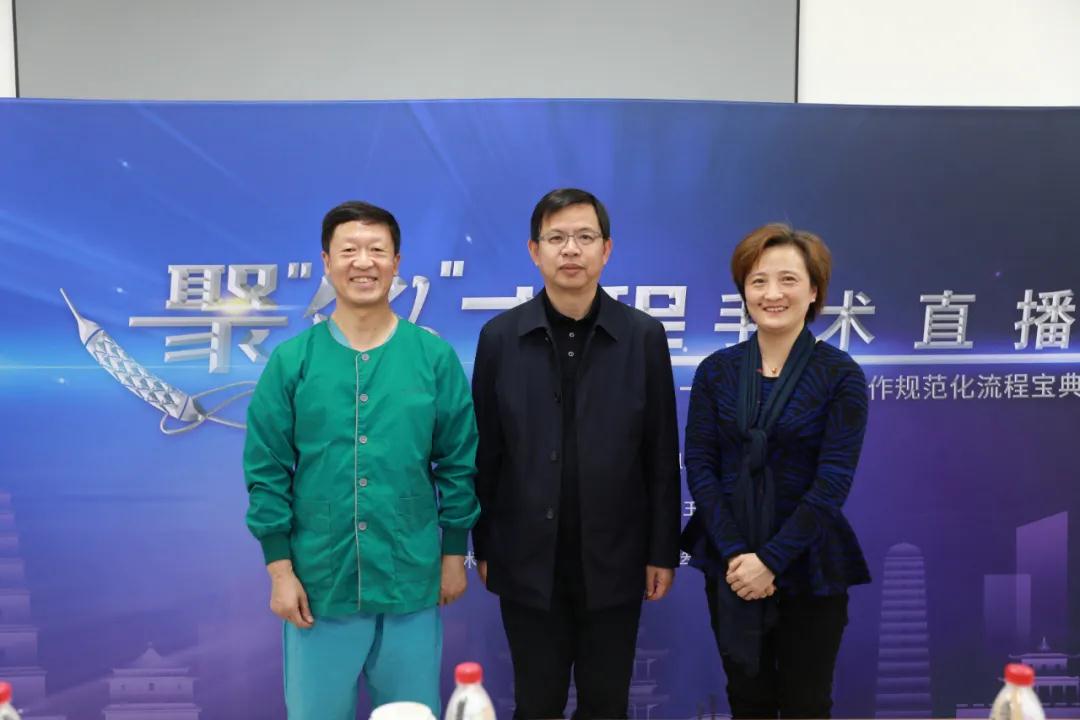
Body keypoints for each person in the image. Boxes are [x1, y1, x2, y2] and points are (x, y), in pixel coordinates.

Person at [243, 200, 480, 719]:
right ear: (327, 262)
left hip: (411, 579)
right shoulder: (293, 361)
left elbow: (459, 464)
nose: (364, 262)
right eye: (349, 250)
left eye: (377, 250)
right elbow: (266, 471)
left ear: (397, 262)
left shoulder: (433, 358)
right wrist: (279, 571)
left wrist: (452, 555)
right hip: (318, 585)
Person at [471, 187, 682, 720]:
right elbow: (486, 452)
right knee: (535, 704)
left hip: (615, 560)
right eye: (556, 238)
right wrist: (485, 544)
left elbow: (661, 453)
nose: (570, 249)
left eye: (584, 237)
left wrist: (661, 550)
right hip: (526, 560)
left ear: (606, 249)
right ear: (534, 250)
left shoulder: (643, 336)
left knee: (606, 704)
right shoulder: (500, 337)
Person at [681, 223, 871, 719]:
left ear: (814, 291)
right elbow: (700, 465)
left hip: (810, 562)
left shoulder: (841, 375)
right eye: (758, 281)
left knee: (808, 703)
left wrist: (771, 560)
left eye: (788, 280)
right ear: (744, 291)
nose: (772, 294)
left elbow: (833, 480)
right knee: (747, 701)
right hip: (731, 564)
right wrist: (738, 555)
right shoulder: (716, 371)